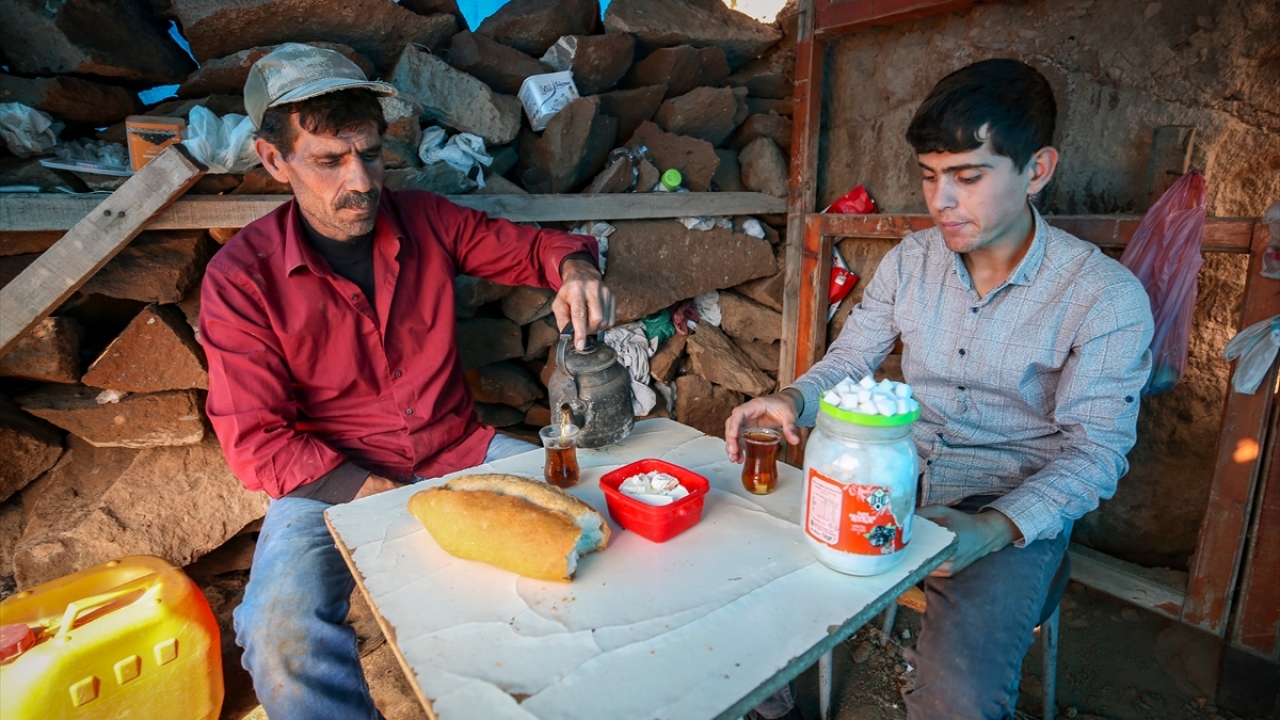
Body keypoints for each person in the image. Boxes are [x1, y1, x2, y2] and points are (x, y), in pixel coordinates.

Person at [725, 59, 1154, 719]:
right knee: (742, 585)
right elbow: (852, 360)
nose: (940, 201)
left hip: (1005, 506)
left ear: (1037, 170)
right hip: (888, 474)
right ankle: (771, 704)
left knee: (958, 696)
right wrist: (791, 401)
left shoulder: (1104, 297)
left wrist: (991, 528)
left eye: (968, 177)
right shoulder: (910, 261)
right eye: (929, 176)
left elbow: (1095, 453)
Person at [199, 44, 614, 720]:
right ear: (275, 161)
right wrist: (377, 498)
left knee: (600, 526)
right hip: (326, 481)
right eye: (330, 161)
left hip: (458, 451)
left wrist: (574, 267)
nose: (360, 180)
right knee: (278, 636)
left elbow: (534, 247)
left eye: (369, 153)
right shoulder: (242, 279)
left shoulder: (427, 219)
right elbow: (257, 443)